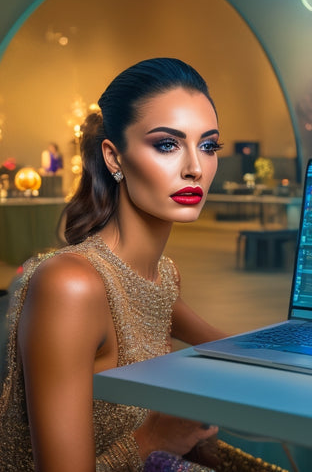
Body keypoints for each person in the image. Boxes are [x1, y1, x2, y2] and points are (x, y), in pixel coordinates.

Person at [0, 58, 287, 472]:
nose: (195, 168)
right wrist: (153, 437)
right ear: (114, 158)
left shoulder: (163, 276)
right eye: (167, 144)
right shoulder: (72, 285)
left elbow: (229, 347)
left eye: (208, 146)